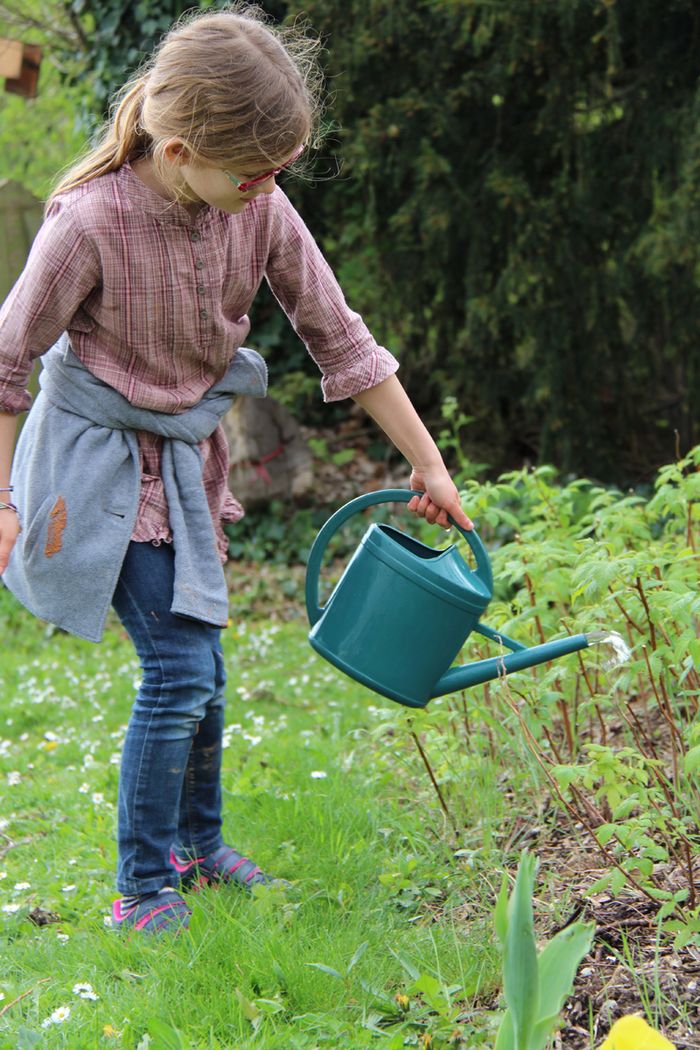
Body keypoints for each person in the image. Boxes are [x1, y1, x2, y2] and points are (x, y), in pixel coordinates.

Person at [0, 4, 472, 935]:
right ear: (177, 151)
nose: (266, 187)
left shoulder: (259, 211)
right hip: (94, 468)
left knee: (204, 668)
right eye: (251, 171)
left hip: (186, 463)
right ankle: (141, 888)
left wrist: (430, 462)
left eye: (279, 172)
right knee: (178, 667)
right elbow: (5, 364)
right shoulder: (87, 225)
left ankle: (197, 850)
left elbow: (343, 339)